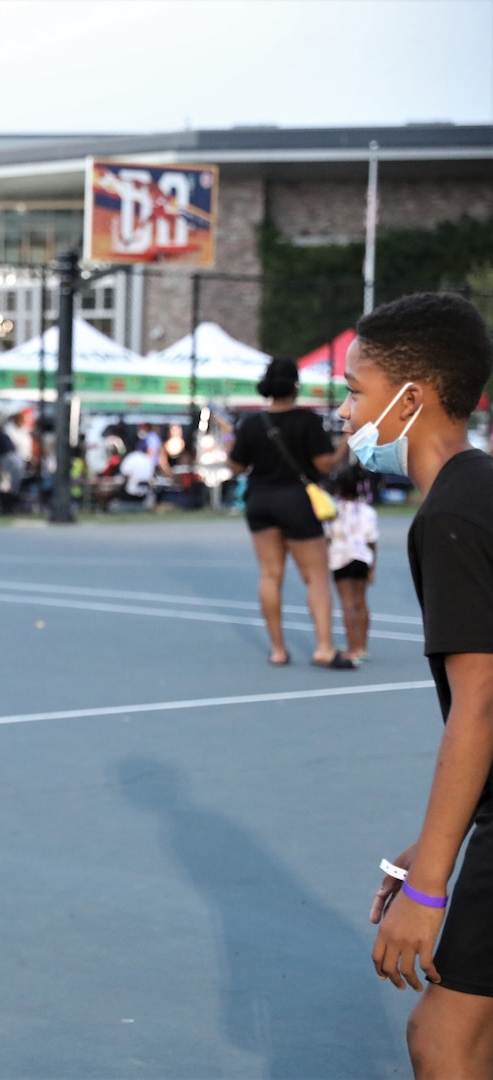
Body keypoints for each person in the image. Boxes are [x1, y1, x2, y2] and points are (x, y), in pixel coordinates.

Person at [353, 293, 493, 1076]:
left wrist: (432, 882)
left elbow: (482, 698)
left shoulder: (449, 515)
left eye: (353, 388)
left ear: (412, 397)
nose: (343, 412)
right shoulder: (481, 489)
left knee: (441, 1038)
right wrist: (433, 842)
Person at [227, 359, 354, 669]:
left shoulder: (252, 423)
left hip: (259, 500)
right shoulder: (308, 421)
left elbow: (236, 467)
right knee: (316, 577)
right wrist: (345, 444)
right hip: (297, 500)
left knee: (270, 574)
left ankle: (278, 649)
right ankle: (323, 647)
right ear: (296, 385)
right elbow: (325, 464)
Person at [326, 463, 379, 664]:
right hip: (362, 558)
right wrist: (372, 567)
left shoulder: (333, 511)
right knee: (361, 602)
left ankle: (351, 647)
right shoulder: (367, 511)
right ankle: (362, 646)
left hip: (340, 559)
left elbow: (327, 538)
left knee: (347, 603)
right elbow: (372, 541)